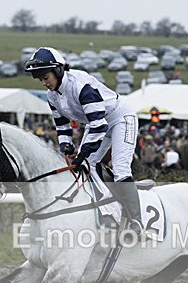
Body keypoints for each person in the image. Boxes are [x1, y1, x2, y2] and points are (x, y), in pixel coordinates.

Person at [25, 46, 144, 235]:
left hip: (121, 118)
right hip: (97, 122)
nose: (43, 83)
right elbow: (62, 125)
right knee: (86, 166)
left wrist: (82, 153)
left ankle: (136, 221)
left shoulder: (81, 86)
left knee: (121, 169)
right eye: (40, 79)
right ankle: (108, 212)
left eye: (45, 77)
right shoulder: (52, 96)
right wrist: (66, 146)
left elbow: (100, 125)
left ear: (58, 70)